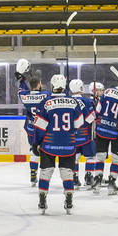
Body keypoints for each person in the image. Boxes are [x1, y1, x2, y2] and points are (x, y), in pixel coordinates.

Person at [32, 73, 84, 215]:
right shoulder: (73, 102)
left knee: (46, 172)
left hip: (49, 144)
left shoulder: (46, 102)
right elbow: (79, 124)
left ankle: (42, 197)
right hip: (68, 144)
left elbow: (40, 126)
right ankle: (69, 196)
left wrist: (36, 142)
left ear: (53, 85)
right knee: (67, 172)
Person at [16, 59, 50, 187]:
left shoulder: (24, 95)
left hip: (31, 127)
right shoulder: (46, 95)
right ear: (39, 84)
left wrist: (22, 80)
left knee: (33, 151)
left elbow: (20, 90)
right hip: (42, 128)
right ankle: (44, 176)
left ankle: (32, 175)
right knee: (44, 152)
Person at [68, 78, 97, 189]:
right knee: (90, 157)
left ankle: (74, 178)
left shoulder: (67, 101)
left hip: (72, 137)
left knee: (74, 157)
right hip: (86, 136)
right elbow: (91, 118)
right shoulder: (85, 102)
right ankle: (89, 177)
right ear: (80, 88)